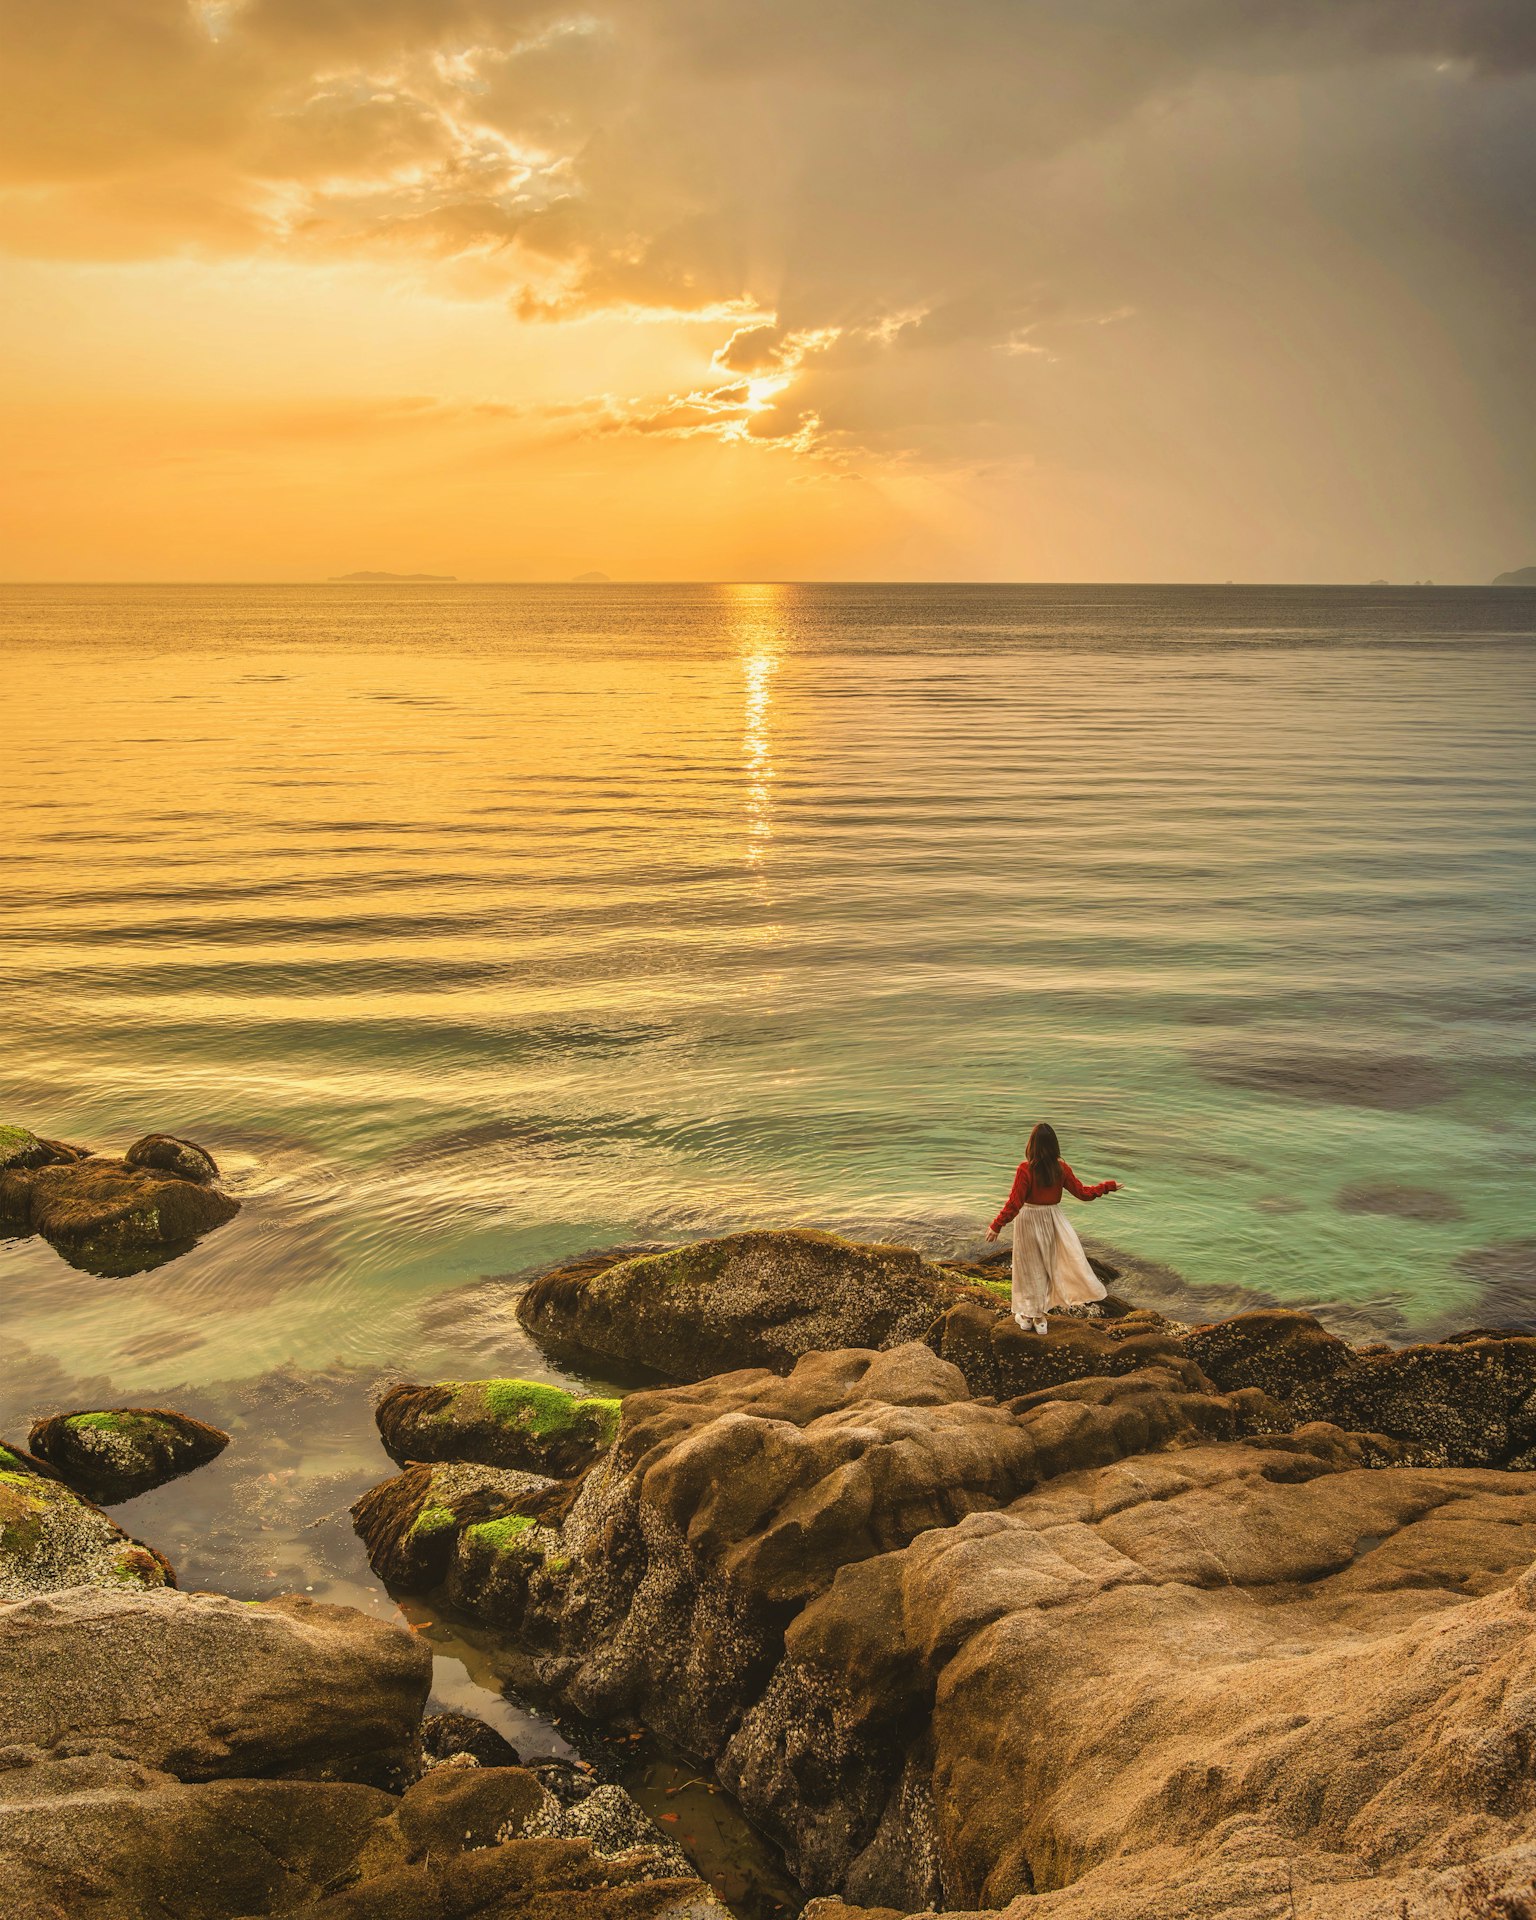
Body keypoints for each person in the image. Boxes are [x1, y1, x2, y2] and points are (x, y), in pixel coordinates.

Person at [984, 1122, 1119, 1335]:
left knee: (1029, 1269)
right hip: (1053, 1218)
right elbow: (1083, 1193)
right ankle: (1038, 1318)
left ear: (1032, 1145)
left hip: (1029, 1219)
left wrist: (996, 1225)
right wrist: (1107, 1186)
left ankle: (1031, 1317)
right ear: (1054, 1145)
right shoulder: (1061, 1168)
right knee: (1049, 1266)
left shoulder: (1025, 1169)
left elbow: (1014, 1203)